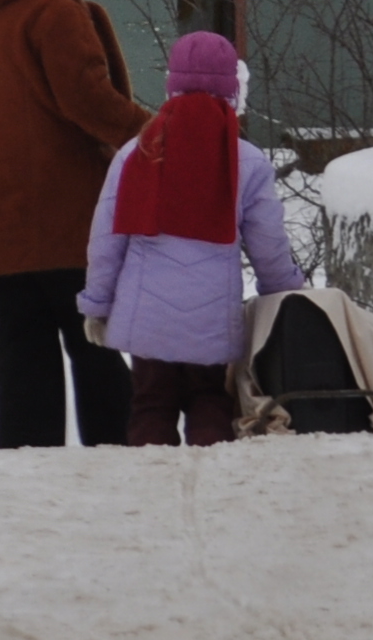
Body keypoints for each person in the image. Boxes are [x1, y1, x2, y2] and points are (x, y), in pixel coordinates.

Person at [0, 0, 150, 448]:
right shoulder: (57, 13)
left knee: (21, 350)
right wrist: (156, 133)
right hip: (64, 223)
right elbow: (87, 100)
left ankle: (26, 471)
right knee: (93, 345)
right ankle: (115, 462)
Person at [83, 29, 306, 447]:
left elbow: (106, 237)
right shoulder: (247, 161)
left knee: (150, 405)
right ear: (231, 91)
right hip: (210, 321)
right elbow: (268, 244)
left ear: (173, 84)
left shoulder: (137, 153)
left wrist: (98, 303)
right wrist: (285, 291)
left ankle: (151, 494)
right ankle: (215, 489)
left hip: (145, 320)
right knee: (210, 402)